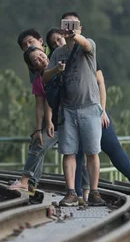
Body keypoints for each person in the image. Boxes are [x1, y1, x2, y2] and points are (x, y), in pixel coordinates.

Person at [46, 25, 130, 198]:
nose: (59, 42)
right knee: (77, 154)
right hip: (70, 111)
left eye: (59, 38)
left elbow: (100, 83)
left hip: (94, 108)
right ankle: (80, 194)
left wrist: (102, 110)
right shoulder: (58, 58)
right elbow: (50, 92)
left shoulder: (84, 52)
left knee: (111, 146)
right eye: (54, 42)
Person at [43, 13, 105, 207]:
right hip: (68, 109)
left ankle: (94, 192)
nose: (69, 28)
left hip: (90, 106)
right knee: (68, 152)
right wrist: (57, 70)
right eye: (66, 25)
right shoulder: (57, 53)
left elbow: (85, 45)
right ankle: (71, 192)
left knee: (92, 152)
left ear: (80, 27)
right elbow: (44, 78)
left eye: (74, 24)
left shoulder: (88, 45)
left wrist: (74, 35)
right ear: (61, 27)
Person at [8, 45, 57, 195]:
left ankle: (24, 181)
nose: (41, 60)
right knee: (37, 143)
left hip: (63, 119)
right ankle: (31, 184)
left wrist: (48, 122)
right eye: (36, 60)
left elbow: (52, 100)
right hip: (51, 121)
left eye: (41, 55)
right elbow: (40, 106)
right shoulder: (38, 80)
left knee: (38, 147)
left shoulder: (58, 69)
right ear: (33, 66)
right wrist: (38, 128)